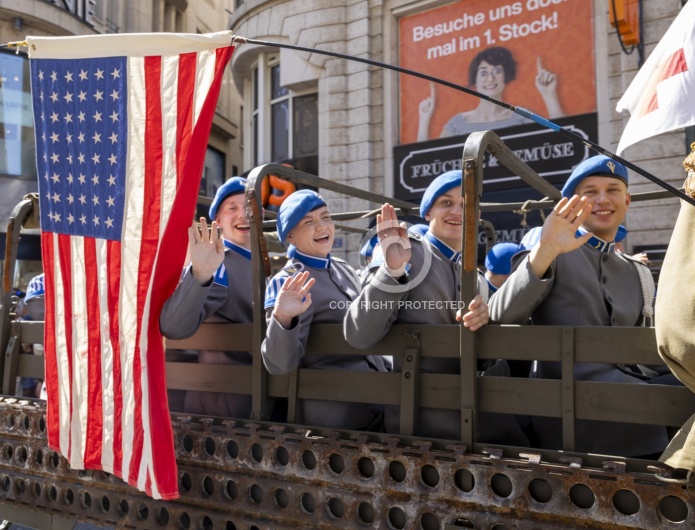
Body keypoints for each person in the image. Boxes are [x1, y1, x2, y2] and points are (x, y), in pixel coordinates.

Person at [489, 155, 668, 457]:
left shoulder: (634, 271)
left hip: (632, 404)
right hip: (571, 415)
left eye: (612, 190)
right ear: (572, 203)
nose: (602, 200)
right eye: (590, 192)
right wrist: (546, 250)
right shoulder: (552, 252)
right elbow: (499, 317)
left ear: (627, 200)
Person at [344, 170, 528, 446]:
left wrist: (485, 321)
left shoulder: (476, 279)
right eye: (446, 202)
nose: (457, 211)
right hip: (419, 412)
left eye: (466, 205)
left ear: (477, 217)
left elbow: (483, 360)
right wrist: (393, 270)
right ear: (427, 213)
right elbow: (359, 334)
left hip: (467, 405)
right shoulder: (408, 250)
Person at [262, 190, 388, 430]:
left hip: (376, 402)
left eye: (325, 217)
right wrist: (282, 317)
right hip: (336, 413)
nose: (322, 227)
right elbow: (278, 364)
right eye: (308, 222)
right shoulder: (288, 281)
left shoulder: (343, 269)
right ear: (290, 235)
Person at [160, 177, 255, 419]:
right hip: (225, 405)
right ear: (218, 222)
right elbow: (174, 326)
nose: (243, 214)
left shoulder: (259, 264)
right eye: (232, 208)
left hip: (254, 395)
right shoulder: (218, 262)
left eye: (250, 207)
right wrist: (200, 274)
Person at [417, 47, 563, 142]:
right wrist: (424, 119)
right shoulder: (458, 123)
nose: (490, 78)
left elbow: (562, 142)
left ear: (506, 75)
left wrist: (549, 96)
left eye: (497, 71)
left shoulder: (521, 115)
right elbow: (427, 160)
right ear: (475, 80)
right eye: (483, 73)